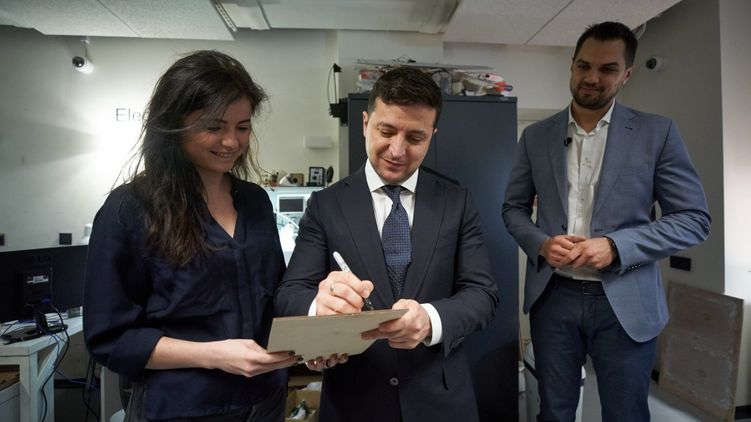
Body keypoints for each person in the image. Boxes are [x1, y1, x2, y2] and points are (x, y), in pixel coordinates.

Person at [503, 21, 710, 422]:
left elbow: (693, 219)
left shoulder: (657, 133)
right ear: (571, 65)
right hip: (554, 298)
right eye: (583, 66)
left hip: (627, 299)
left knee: (625, 413)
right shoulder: (536, 136)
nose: (592, 78)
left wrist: (617, 246)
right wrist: (541, 243)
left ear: (626, 74)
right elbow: (512, 208)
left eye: (607, 69)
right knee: (554, 412)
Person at [83, 50, 300, 422]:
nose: (231, 142)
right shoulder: (131, 209)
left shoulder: (255, 201)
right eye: (214, 127)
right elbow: (110, 338)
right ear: (174, 125)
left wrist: (319, 327)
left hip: (265, 401)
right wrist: (214, 355)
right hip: (183, 407)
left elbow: (275, 299)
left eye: (242, 127)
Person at [274, 67, 499, 422]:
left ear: (432, 136)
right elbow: (290, 293)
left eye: (415, 137)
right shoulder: (326, 205)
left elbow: (482, 295)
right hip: (354, 402)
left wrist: (430, 319)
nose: (397, 150)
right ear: (365, 124)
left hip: (440, 401)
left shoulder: (456, 202)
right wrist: (320, 306)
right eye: (387, 131)